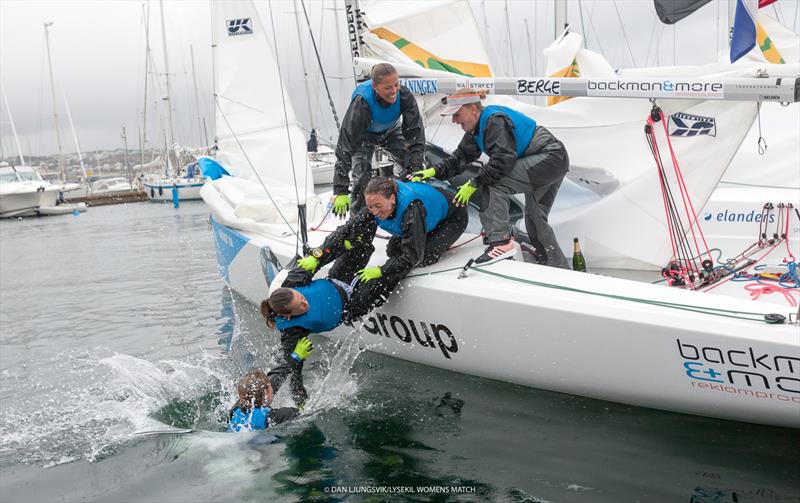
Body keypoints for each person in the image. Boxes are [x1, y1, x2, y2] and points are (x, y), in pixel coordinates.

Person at [412, 88, 571, 268]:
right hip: (554, 161)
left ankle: (500, 244)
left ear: (473, 109)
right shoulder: (478, 128)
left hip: (549, 158)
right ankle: (557, 267)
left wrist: (474, 183)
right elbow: (460, 158)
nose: (454, 120)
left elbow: (503, 161)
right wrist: (433, 172)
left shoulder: (494, 121)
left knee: (494, 183)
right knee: (535, 218)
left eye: (457, 114)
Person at [331, 62, 426, 217]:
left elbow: (415, 136)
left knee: (412, 166)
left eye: (396, 85)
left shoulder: (404, 96)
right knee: (362, 179)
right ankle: (358, 223)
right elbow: (345, 147)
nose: (394, 91)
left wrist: (416, 168)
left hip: (391, 130)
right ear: (375, 87)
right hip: (363, 136)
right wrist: (340, 190)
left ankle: (407, 212)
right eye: (388, 88)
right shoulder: (361, 103)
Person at [227, 368, 303, 432]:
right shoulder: (272, 416)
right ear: (266, 393)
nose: (272, 389)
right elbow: (304, 414)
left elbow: (250, 392)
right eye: (270, 387)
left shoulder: (234, 411)